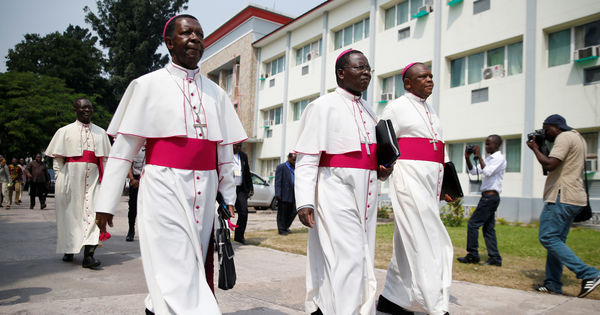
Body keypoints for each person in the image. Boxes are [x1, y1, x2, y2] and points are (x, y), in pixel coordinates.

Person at [94, 14, 247, 314]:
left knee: (187, 265)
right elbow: (123, 151)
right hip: (163, 185)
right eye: (186, 33)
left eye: (200, 34)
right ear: (169, 42)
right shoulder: (147, 85)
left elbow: (224, 153)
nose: (194, 39)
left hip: (205, 189)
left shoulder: (216, 93)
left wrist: (228, 198)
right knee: (175, 263)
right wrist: (105, 202)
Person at [294, 49, 392, 315]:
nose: (366, 73)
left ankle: (337, 308)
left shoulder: (369, 111)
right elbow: (306, 158)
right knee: (348, 256)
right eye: (359, 68)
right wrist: (304, 201)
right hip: (334, 191)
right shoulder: (322, 106)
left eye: (368, 68)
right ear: (341, 73)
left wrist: (382, 170)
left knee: (360, 256)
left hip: (366, 195)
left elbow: (370, 158)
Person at [377, 62, 452, 315]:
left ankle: (392, 298)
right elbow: (383, 142)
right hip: (408, 180)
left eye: (431, 76)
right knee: (429, 240)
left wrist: (447, 186)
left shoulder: (431, 111)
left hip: (430, 184)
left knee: (407, 240)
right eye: (423, 76)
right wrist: (383, 168)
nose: (430, 80)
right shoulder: (396, 107)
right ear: (408, 82)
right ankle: (436, 306)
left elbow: (440, 150)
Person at [527, 114, 600, 298]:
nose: (545, 133)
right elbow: (549, 168)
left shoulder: (564, 137)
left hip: (562, 196)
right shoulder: (577, 137)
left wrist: (535, 148)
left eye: (546, 129)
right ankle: (553, 284)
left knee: (548, 237)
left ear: (557, 127)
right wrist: (543, 147)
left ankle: (589, 273)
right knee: (557, 240)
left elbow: (550, 165)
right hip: (574, 197)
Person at [45, 98, 111, 268]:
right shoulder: (64, 131)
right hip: (70, 178)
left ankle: (89, 256)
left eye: (89, 107)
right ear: (75, 110)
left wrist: (107, 183)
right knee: (71, 216)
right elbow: (58, 159)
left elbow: (104, 160)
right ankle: (70, 248)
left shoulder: (101, 132)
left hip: (94, 179)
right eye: (83, 108)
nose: (87, 110)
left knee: (93, 215)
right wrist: (60, 178)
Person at [457, 135, 506, 267]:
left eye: (489, 144)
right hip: (487, 197)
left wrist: (479, 156)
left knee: (473, 224)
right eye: (485, 144)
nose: (486, 147)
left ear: (497, 145)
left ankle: (472, 255)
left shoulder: (499, 159)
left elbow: (488, 172)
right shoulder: (489, 159)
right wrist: (467, 158)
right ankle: (495, 258)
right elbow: (474, 172)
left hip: (490, 197)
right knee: (488, 229)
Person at [232, 142, 254, 245]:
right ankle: (222, 236)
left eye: (240, 146)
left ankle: (239, 236)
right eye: (237, 145)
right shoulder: (225, 155)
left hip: (240, 189)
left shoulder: (243, 156)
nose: (239, 148)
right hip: (228, 188)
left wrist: (251, 187)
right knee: (223, 214)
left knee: (244, 213)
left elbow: (247, 173)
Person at [126, 146, 145, 242]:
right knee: (133, 207)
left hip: (149, 180)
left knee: (148, 208)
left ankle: (146, 233)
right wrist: (132, 179)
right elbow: (129, 165)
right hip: (136, 180)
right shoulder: (136, 148)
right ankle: (131, 230)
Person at [275, 153, 296, 235]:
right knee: (282, 213)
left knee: (293, 211)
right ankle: (281, 229)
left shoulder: (296, 167)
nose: (295, 161)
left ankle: (286, 226)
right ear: (289, 158)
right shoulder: (282, 167)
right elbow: (277, 181)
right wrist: (278, 193)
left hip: (293, 193)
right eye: (293, 159)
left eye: (296, 160)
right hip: (283, 194)